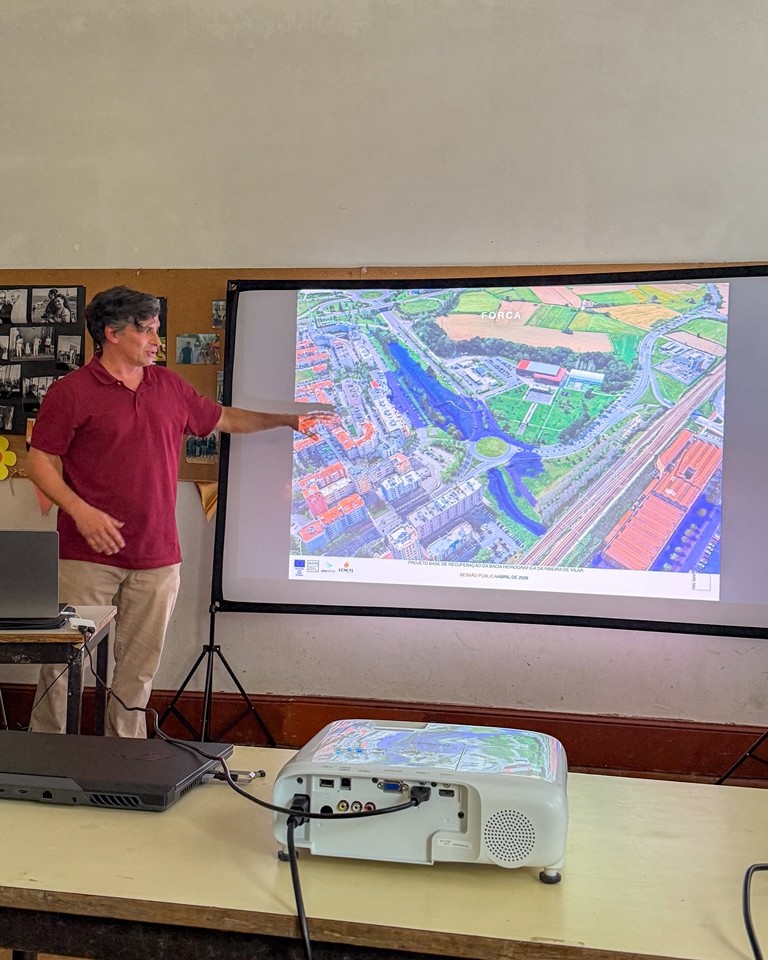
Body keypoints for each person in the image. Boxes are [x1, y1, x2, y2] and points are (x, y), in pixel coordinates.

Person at [26, 286, 336, 738]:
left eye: (157, 330)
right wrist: (79, 510)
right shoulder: (70, 392)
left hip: (156, 557)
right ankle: (43, 757)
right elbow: (39, 460)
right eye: (146, 330)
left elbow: (224, 418)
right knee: (64, 665)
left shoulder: (168, 386)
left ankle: (125, 755)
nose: (157, 341)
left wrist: (286, 419)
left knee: (138, 670)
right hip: (85, 555)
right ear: (112, 333)